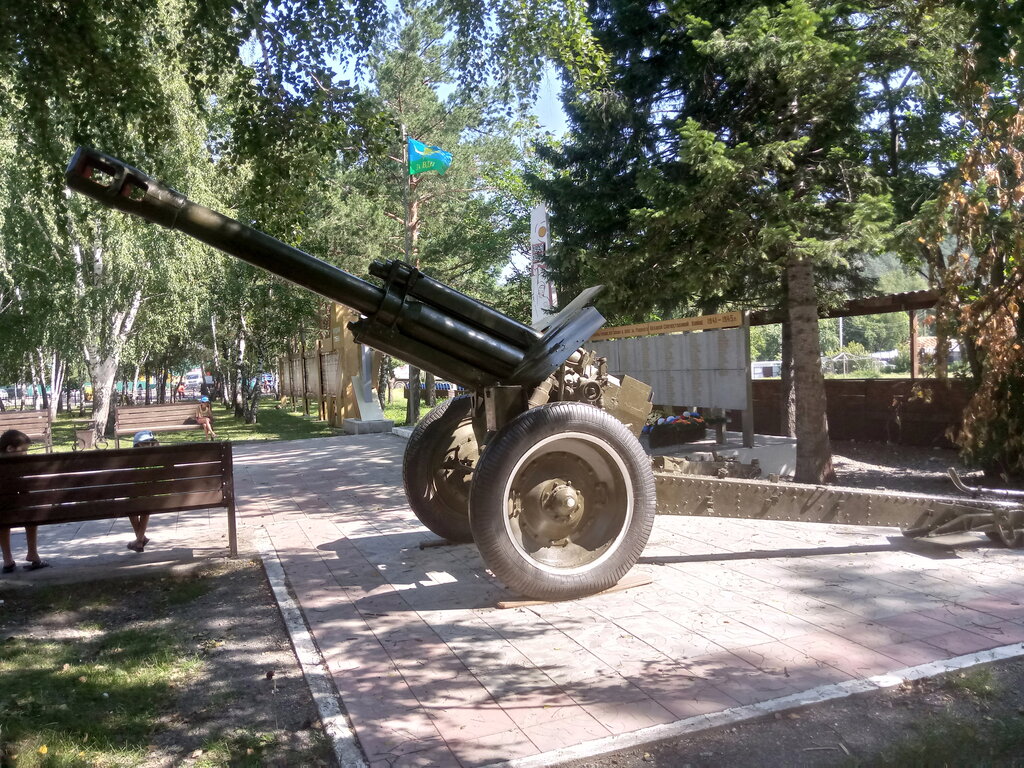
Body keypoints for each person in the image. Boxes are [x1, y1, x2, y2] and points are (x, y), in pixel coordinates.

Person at [1, 429, 48, 573]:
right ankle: (32, 554)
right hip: (16, 507)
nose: (26, 454)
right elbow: (25, 491)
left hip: (2, 511)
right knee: (30, 511)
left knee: (3, 517)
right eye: (24, 450)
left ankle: (7, 560)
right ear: (10, 449)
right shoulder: (17, 465)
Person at [126, 430, 159, 552]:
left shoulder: (131, 461)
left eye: (150, 442)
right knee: (144, 503)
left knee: (133, 505)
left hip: (144, 497)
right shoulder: (158, 458)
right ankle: (140, 539)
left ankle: (139, 540)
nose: (149, 445)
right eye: (147, 443)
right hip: (159, 497)